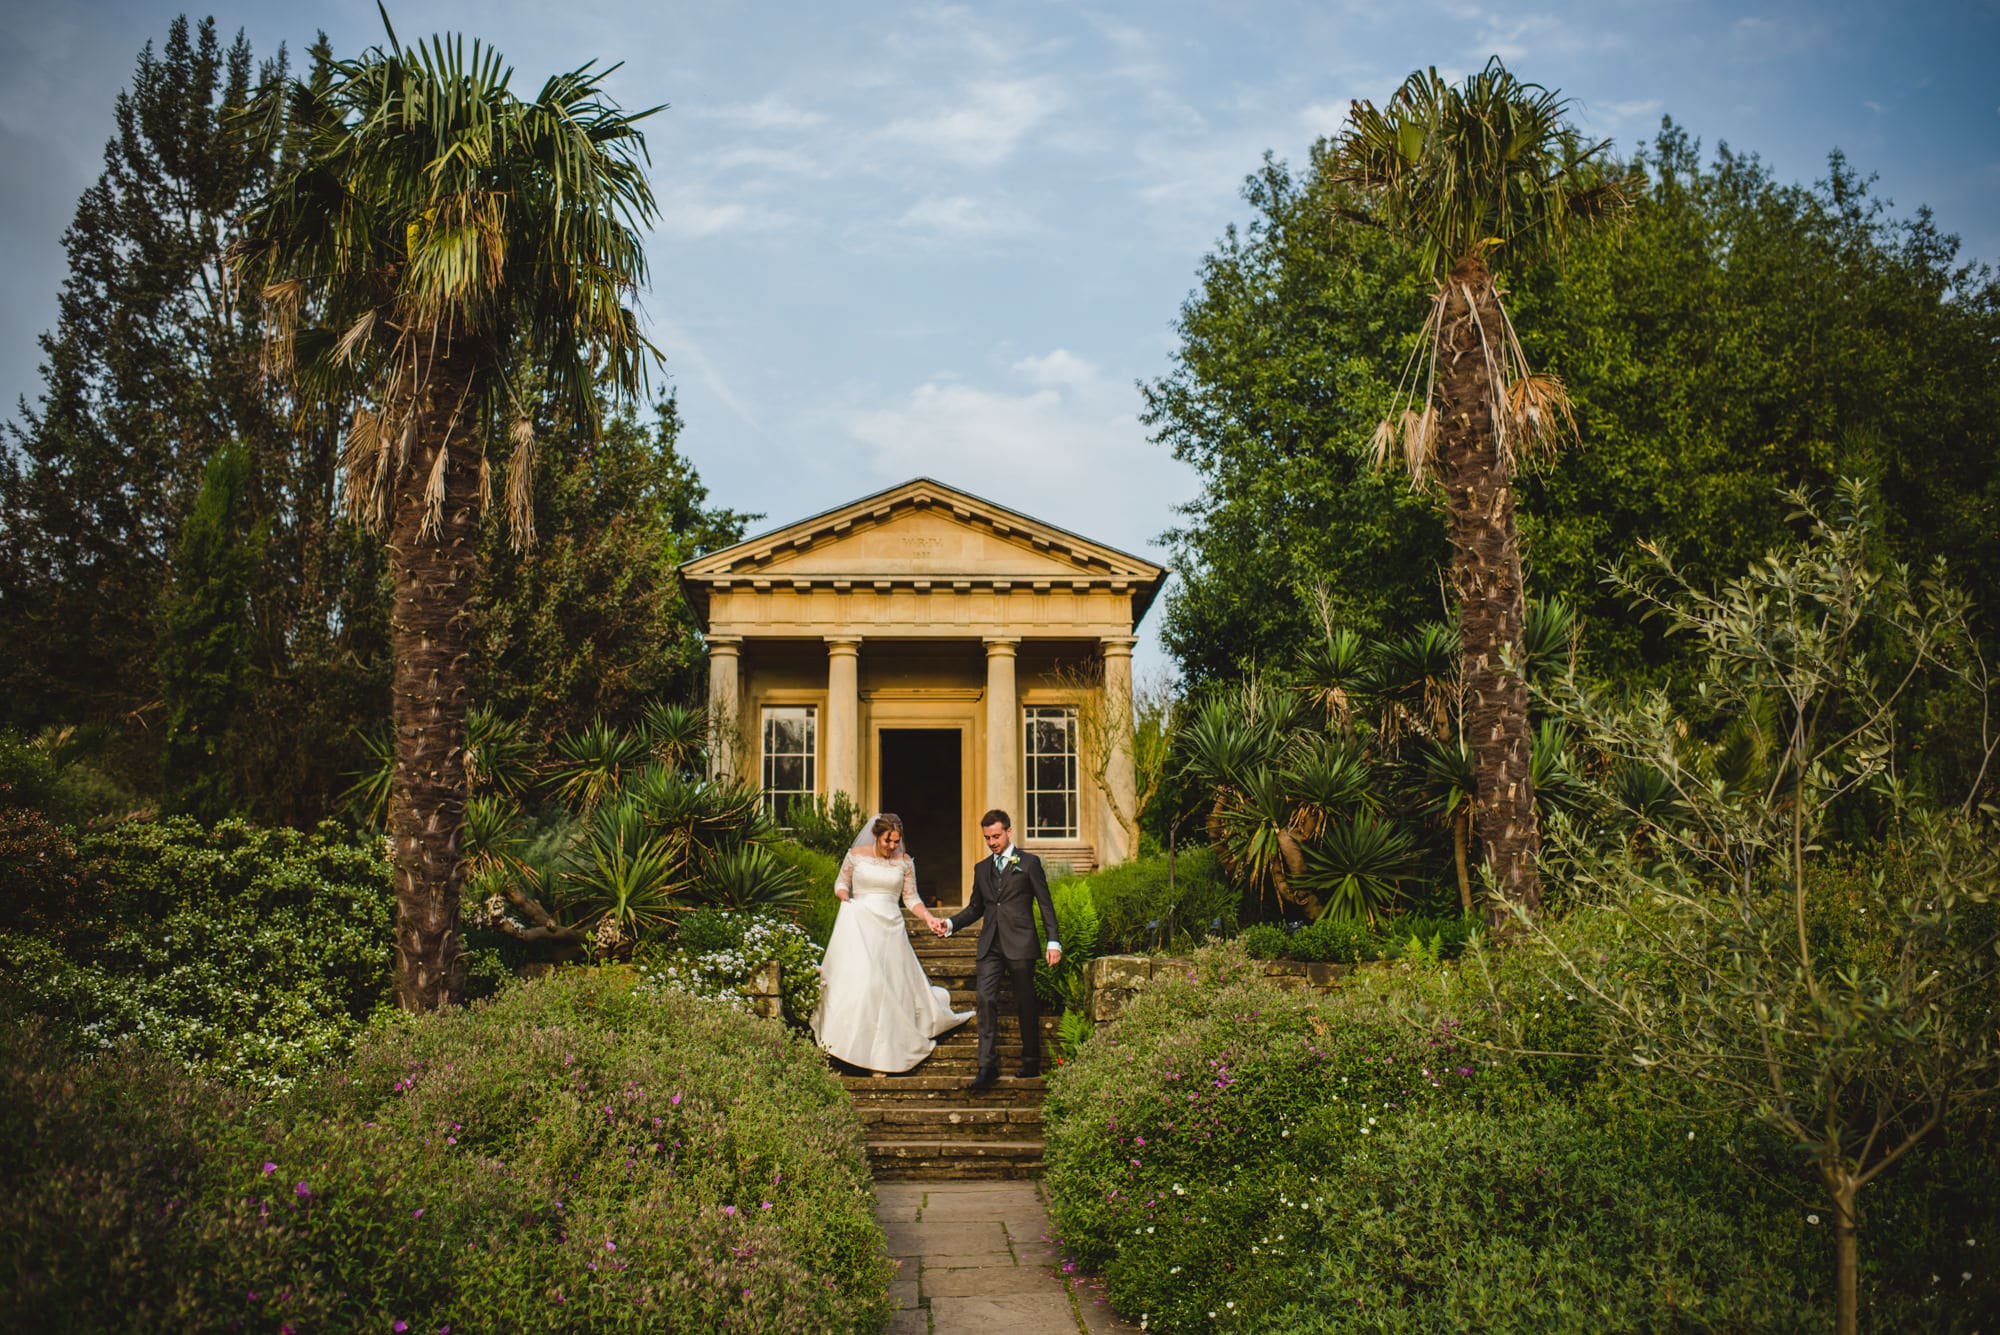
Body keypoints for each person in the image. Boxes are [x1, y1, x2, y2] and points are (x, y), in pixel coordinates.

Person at [811, 813, 972, 1073]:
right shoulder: (856, 854)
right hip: (861, 924)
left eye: (896, 841)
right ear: (877, 836)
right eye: (888, 841)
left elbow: (911, 898)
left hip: (890, 928)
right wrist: (843, 896)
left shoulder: (905, 863)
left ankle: (885, 1051)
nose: (892, 847)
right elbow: (841, 882)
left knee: (889, 987)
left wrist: (929, 918)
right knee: (866, 984)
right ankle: (849, 1044)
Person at [932, 808, 1060, 1093]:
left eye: (996, 836)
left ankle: (1031, 1060)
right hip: (990, 945)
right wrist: (950, 923)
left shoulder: (1029, 864)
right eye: (988, 837)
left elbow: (1045, 904)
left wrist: (1054, 940)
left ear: (1009, 832)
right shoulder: (981, 869)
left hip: (1021, 943)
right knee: (985, 1000)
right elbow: (976, 908)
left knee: (1025, 1003)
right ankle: (986, 1066)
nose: (992, 842)